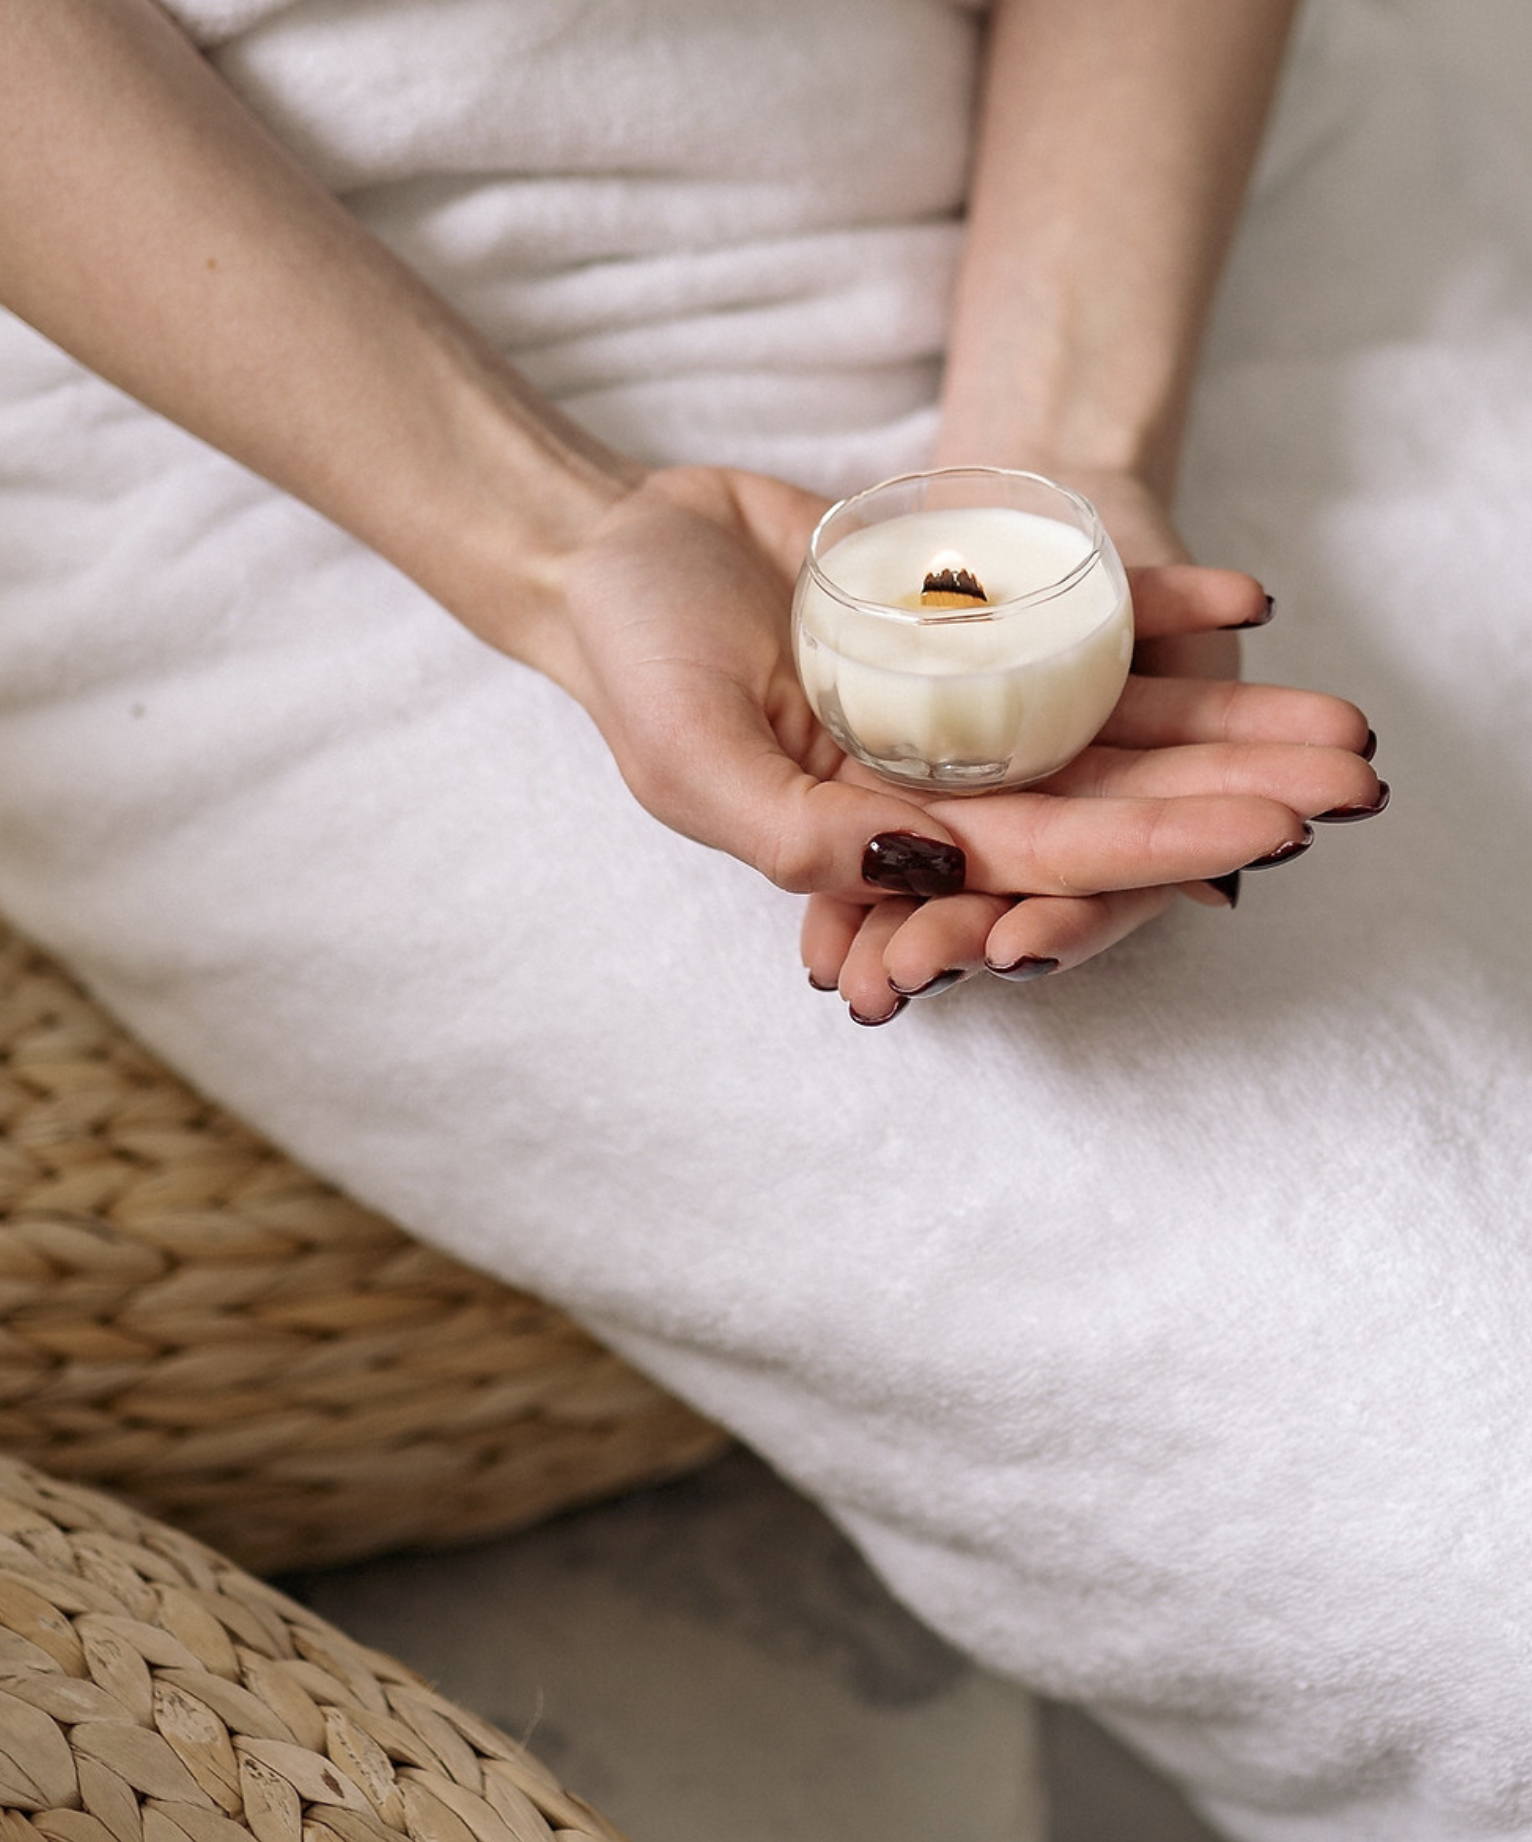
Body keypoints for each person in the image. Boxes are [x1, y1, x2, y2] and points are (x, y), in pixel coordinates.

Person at [1, 1, 1529, 1837]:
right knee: (1472, 1507)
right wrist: (562, 551)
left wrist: (1065, 452)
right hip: (241, 354)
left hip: (1113, 165)